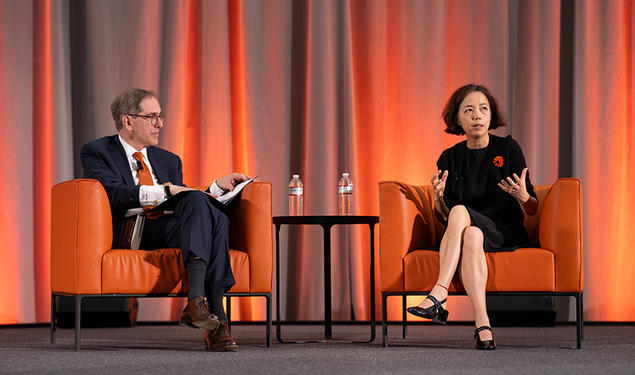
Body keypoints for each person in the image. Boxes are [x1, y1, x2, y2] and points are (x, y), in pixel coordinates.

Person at [81, 88, 249, 352]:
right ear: (128, 121)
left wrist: (217, 187)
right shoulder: (98, 151)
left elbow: (188, 206)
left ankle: (198, 305)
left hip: (168, 226)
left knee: (216, 218)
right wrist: (164, 190)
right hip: (132, 230)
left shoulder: (169, 159)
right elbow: (110, 191)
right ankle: (218, 319)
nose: (160, 123)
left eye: (161, 116)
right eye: (152, 117)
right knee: (216, 220)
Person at [406, 84, 538, 350]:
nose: (477, 115)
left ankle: (439, 293)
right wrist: (438, 199)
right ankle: (483, 324)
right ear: (458, 119)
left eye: (483, 109)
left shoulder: (508, 148)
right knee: (471, 232)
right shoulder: (449, 158)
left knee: (460, 212)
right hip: (470, 232)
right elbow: (445, 218)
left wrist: (524, 196)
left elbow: (533, 208)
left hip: (504, 229)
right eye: (469, 110)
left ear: (490, 117)